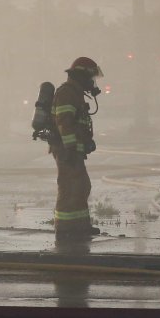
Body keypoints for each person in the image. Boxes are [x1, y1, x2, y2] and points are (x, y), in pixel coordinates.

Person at [51, 57, 103, 238]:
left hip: (73, 150)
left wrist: (85, 142)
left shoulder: (76, 93)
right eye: (90, 78)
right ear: (82, 76)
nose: (92, 82)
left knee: (81, 186)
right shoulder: (67, 93)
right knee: (68, 188)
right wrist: (71, 149)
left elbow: (77, 123)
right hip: (67, 150)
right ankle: (65, 229)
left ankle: (80, 226)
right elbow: (64, 123)